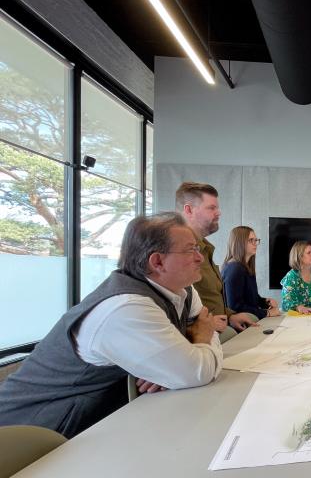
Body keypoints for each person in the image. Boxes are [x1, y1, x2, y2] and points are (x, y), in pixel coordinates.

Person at [0, 213, 223, 438]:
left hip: (99, 427)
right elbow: (198, 371)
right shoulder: (126, 308)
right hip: (33, 438)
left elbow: (192, 361)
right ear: (157, 262)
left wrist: (175, 366)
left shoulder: (183, 291)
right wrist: (199, 339)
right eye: (190, 250)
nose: (200, 258)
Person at [176, 182, 255, 333]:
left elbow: (210, 299)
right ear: (189, 209)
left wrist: (230, 315)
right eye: (212, 208)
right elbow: (172, 307)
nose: (219, 213)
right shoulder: (177, 252)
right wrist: (200, 324)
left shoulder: (206, 248)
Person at [221, 226, 280, 319]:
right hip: (241, 324)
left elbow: (250, 299)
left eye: (256, 240)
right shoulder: (235, 268)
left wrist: (264, 301)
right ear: (239, 242)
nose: (255, 243)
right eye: (251, 240)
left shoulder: (245, 267)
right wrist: (267, 313)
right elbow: (235, 307)